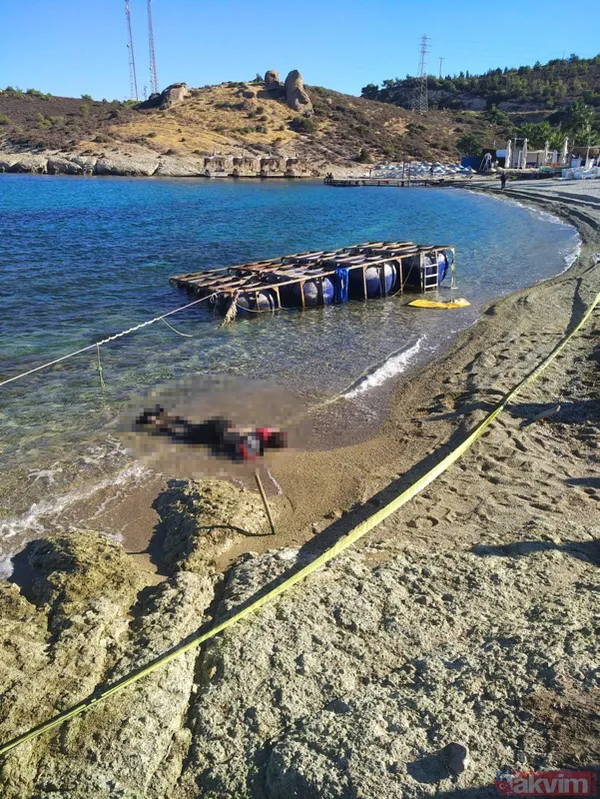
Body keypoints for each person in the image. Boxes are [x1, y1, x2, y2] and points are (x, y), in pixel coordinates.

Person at [135, 405, 287, 462]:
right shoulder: (255, 450)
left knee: (190, 426)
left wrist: (232, 429)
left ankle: (164, 414)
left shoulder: (264, 432)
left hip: (222, 423)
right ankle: (153, 420)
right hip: (217, 435)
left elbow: (245, 429)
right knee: (182, 437)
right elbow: (229, 452)